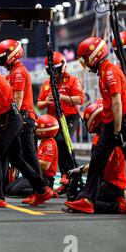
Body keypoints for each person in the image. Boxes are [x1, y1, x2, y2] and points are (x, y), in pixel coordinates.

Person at [65, 37, 126, 217]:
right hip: (113, 123)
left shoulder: (110, 73)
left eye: (85, 58)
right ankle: (87, 200)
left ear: (94, 56)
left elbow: (117, 103)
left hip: (123, 121)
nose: (85, 63)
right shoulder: (104, 72)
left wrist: (118, 130)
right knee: (97, 160)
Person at [0, 44, 54, 208]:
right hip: (12, 118)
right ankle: (42, 189)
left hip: (11, 119)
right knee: (17, 159)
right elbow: (1, 105)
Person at [66, 101, 126, 214]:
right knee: (78, 198)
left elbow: (99, 164)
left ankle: (118, 205)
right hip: (106, 182)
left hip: (113, 185)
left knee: (85, 201)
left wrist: (80, 170)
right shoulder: (103, 137)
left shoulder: (108, 140)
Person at [38, 52, 84, 188]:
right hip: (53, 120)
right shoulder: (46, 84)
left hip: (70, 116)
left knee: (63, 141)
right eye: (50, 71)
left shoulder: (73, 80)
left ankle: (69, 173)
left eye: (56, 70)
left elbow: (80, 99)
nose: (54, 74)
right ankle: (61, 174)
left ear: (63, 67)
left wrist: (61, 97)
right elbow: (39, 104)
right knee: (54, 145)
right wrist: (46, 101)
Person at [0, 39, 41, 176]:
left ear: (11, 55)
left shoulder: (18, 72)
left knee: (28, 155)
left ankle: (41, 188)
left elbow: (18, 99)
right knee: (17, 156)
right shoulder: (14, 72)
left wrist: (12, 119)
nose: (0, 61)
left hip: (24, 118)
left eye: (2, 58)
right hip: (22, 117)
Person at [5, 114, 59, 197]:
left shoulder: (49, 145)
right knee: (8, 189)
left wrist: (26, 161)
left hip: (44, 178)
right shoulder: (43, 142)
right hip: (34, 173)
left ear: (44, 130)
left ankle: (46, 191)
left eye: (37, 127)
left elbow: (45, 165)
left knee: (16, 190)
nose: (35, 129)